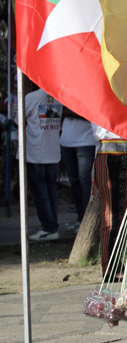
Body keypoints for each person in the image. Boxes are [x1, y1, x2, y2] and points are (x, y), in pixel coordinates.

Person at [18, 79, 62, 240]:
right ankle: (52, 226)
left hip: (36, 152)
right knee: (51, 191)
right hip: (53, 152)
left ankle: (49, 227)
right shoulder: (59, 96)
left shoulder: (31, 98)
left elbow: (18, 121)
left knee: (41, 191)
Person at [92, 124, 127, 275]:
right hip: (110, 150)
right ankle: (111, 268)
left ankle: (117, 264)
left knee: (123, 214)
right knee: (111, 215)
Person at [59, 108, 98, 232]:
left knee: (85, 182)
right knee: (74, 183)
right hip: (66, 142)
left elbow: (90, 113)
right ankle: (80, 219)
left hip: (86, 142)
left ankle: (86, 222)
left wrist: (67, 111)